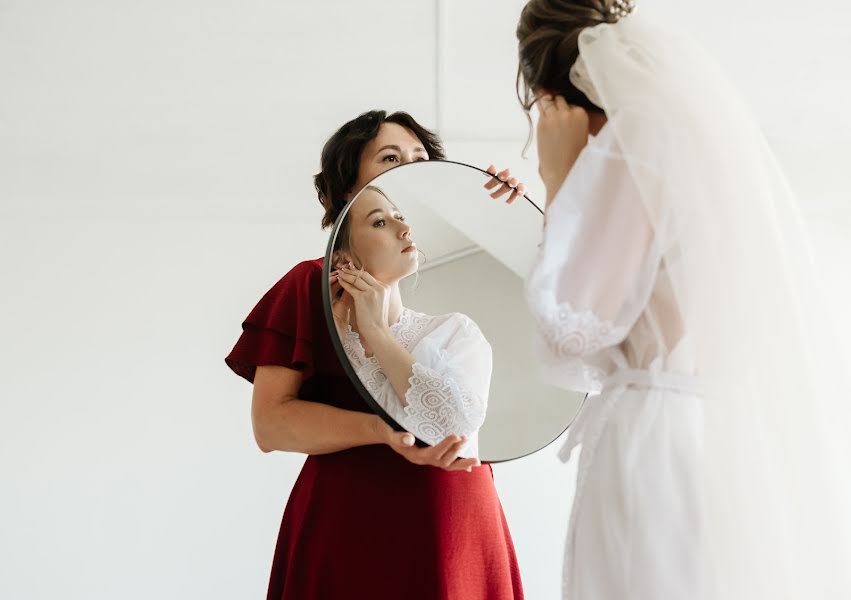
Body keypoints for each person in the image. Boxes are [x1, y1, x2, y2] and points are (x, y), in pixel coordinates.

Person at [516, 1, 851, 599]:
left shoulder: (631, 146)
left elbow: (571, 330)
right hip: (704, 428)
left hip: (652, 441)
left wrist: (558, 176)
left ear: (547, 93)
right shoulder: (693, 148)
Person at [225, 110, 524, 599]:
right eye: (391, 158)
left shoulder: (453, 331)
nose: (410, 169)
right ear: (349, 187)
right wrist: (381, 433)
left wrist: (512, 211)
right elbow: (271, 425)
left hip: (457, 523)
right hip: (352, 518)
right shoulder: (310, 286)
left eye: (420, 159)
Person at [330, 184, 491, 458]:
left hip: (444, 497)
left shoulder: (454, 331)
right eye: (379, 221)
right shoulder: (330, 340)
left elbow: (455, 433)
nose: (405, 229)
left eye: (400, 217)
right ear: (343, 259)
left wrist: (378, 332)